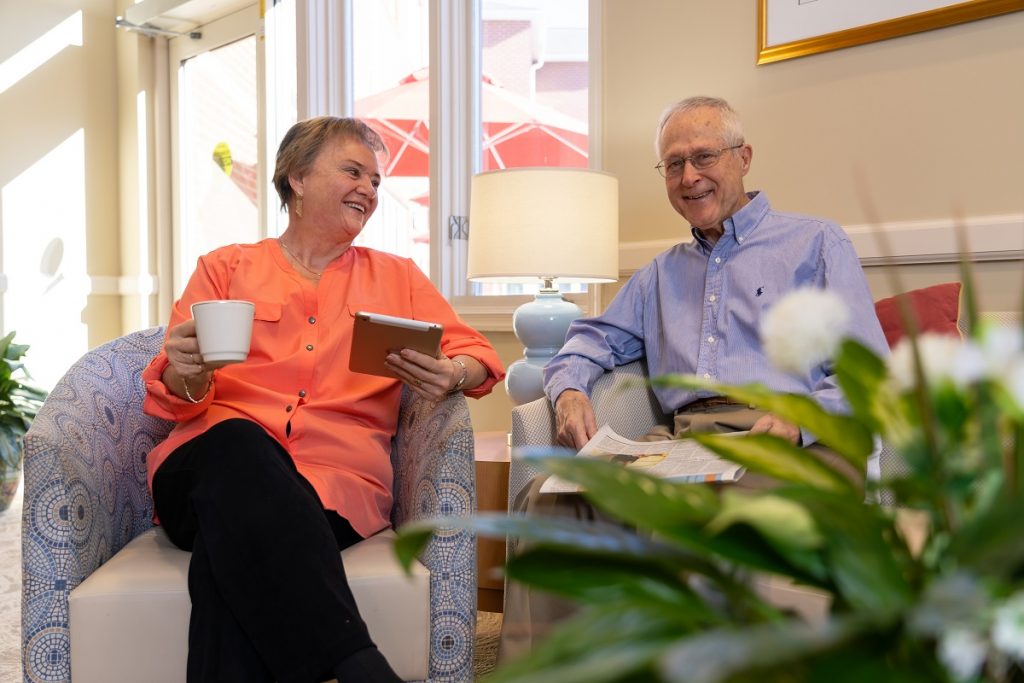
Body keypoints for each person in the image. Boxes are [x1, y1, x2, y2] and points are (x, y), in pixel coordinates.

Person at [499, 95, 888, 658]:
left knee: (690, 515)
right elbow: (589, 339)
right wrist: (569, 391)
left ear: (743, 157)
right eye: (673, 164)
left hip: (793, 443)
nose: (689, 176)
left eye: (703, 156)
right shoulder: (660, 273)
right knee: (551, 499)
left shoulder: (816, 244)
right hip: (686, 442)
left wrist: (797, 421)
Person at [142, 116, 505, 683]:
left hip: (334, 490)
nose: (370, 188)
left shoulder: (398, 277)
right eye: (354, 171)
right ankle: (358, 665)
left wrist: (451, 373)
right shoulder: (225, 268)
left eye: (377, 180)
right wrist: (187, 371)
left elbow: (479, 355)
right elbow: (177, 394)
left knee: (228, 560)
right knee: (238, 442)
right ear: (298, 178)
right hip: (204, 470)